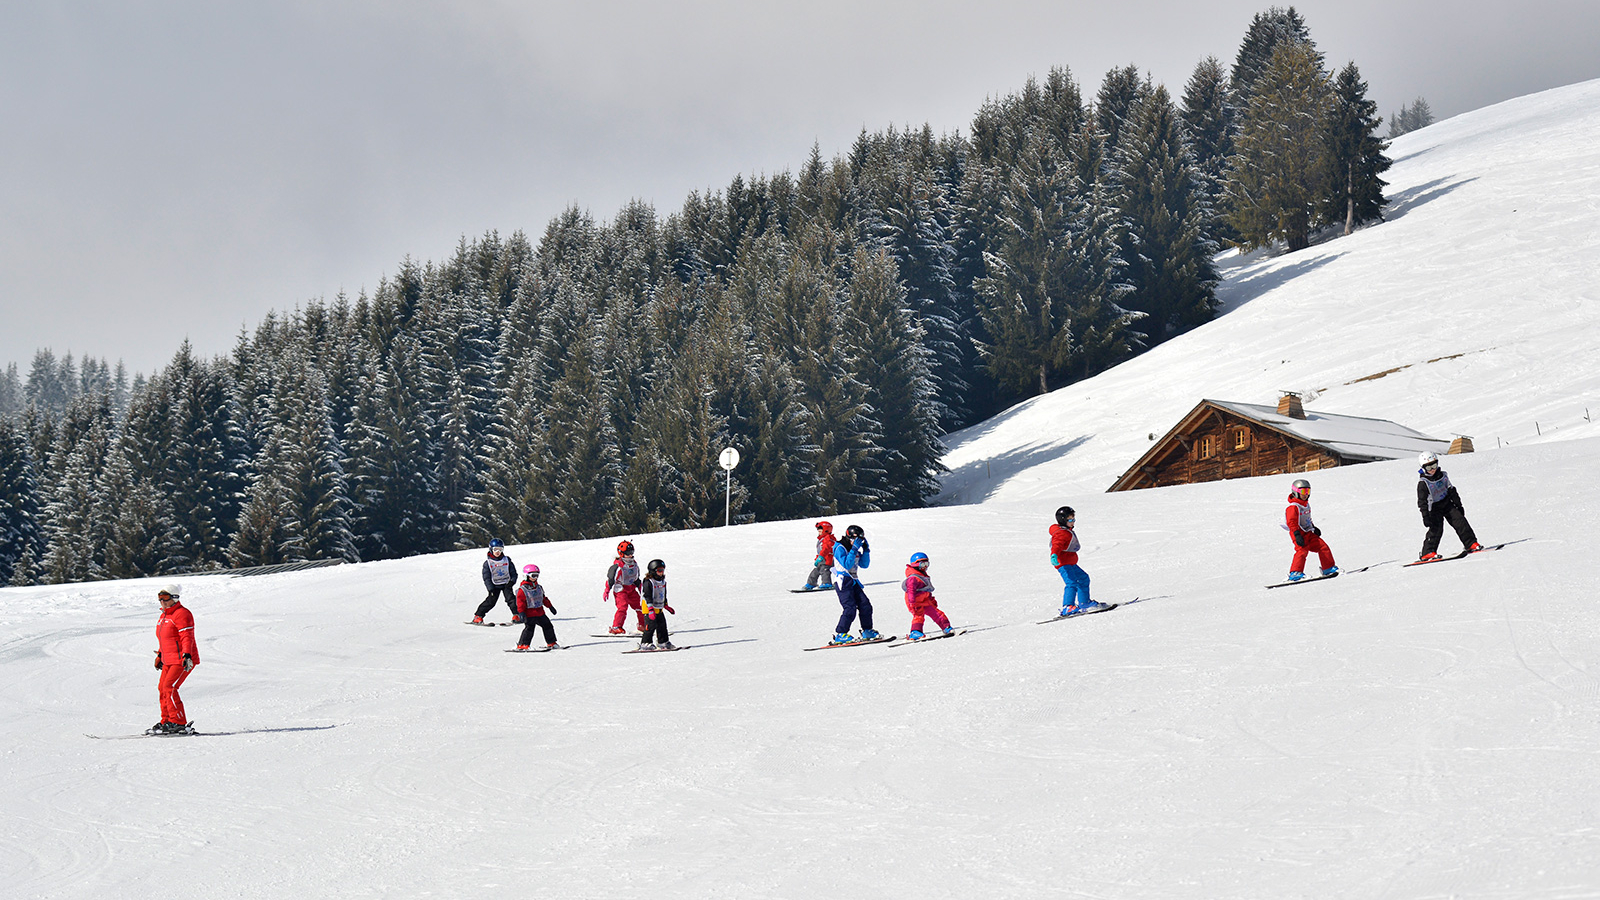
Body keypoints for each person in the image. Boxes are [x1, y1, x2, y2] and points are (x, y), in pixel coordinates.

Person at [1416, 451, 1483, 560]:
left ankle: (1470, 543)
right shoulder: (1423, 483)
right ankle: (1427, 552)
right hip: (1433, 508)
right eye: (1428, 468)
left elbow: (1452, 491)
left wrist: (1458, 505)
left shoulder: (1444, 476)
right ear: (1423, 468)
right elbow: (1422, 502)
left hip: (1447, 504)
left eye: (1434, 465)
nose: (1432, 469)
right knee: (1436, 529)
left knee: (1460, 522)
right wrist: (1425, 516)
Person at [152, 584, 198, 734]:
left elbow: (187, 637)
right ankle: (167, 721)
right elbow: (166, 639)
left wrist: (187, 655)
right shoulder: (165, 615)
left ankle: (178, 722)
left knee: (170, 688)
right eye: (160, 598)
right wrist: (160, 655)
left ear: (175, 598)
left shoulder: (182, 614)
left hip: (182, 660)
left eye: (165, 598)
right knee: (162, 688)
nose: (162, 602)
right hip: (169, 659)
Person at [1050, 506, 1107, 615]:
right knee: (1071, 583)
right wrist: (1054, 556)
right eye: (1070, 520)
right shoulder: (1060, 533)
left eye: (1073, 519)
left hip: (1070, 563)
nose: (1073, 522)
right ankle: (1067, 606)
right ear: (1063, 520)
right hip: (1062, 563)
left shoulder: (1066, 531)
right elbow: (1056, 545)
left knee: (1083, 578)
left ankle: (1084, 603)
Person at [829, 525, 881, 644]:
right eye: (855, 539)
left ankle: (867, 630)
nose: (856, 542)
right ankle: (840, 634)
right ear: (849, 537)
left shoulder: (855, 548)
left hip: (854, 581)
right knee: (850, 608)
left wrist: (866, 550)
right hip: (843, 581)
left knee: (865, 605)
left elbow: (864, 564)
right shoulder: (840, 548)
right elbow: (846, 565)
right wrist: (854, 549)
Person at [1285, 479, 1338, 581]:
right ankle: (1295, 573)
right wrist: (1296, 534)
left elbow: (1306, 518)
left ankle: (1328, 568)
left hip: (1308, 532)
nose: (1306, 494)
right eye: (1303, 492)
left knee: (1322, 546)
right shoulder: (1293, 507)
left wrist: (1314, 527)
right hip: (1298, 533)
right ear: (1296, 492)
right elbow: (1291, 522)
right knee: (1302, 550)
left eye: (1308, 491)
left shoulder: (1305, 505)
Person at [902, 552, 953, 640]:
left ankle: (946, 627)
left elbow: (927, 589)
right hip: (915, 602)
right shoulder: (913, 578)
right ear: (915, 564)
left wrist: (931, 599)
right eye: (922, 564)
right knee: (918, 616)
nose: (925, 567)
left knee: (937, 613)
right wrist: (912, 602)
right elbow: (910, 591)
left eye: (927, 564)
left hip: (925, 600)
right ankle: (915, 632)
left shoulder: (922, 575)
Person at [602, 540, 645, 635]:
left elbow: (637, 579)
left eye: (632, 553)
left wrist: (641, 588)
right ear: (621, 554)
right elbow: (611, 578)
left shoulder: (634, 564)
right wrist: (607, 590)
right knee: (623, 607)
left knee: (640, 606)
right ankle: (616, 627)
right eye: (628, 553)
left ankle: (642, 625)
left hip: (631, 588)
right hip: (620, 589)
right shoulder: (618, 566)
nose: (630, 555)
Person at [513, 564, 559, 650]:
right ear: (526, 576)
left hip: (540, 612)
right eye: (533, 575)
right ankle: (522, 645)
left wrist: (550, 607)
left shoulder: (538, 587)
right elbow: (520, 602)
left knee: (548, 626)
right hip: (529, 614)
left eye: (537, 575)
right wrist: (521, 612)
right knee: (529, 629)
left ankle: (551, 642)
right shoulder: (522, 590)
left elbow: (543, 598)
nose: (535, 578)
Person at [473, 539, 519, 624]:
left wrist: (512, 582)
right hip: (495, 585)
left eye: (500, 549)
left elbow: (513, 573)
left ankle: (517, 615)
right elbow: (486, 577)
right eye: (495, 549)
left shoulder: (507, 560)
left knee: (511, 600)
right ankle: (478, 616)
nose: (498, 552)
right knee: (491, 601)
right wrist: (490, 589)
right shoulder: (488, 563)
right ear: (491, 549)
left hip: (506, 584)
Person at [638, 558, 677, 650]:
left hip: (659, 608)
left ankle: (663, 642)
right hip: (649, 608)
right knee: (650, 626)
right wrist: (650, 609)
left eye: (662, 570)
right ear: (653, 571)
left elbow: (663, 594)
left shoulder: (662, 581)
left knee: (662, 625)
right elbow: (647, 595)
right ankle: (645, 643)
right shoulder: (649, 582)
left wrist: (666, 605)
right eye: (659, 570)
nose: (661, 572)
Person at [800, 520, 837, 591]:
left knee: (824, 571)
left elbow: (826, 548)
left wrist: (821, 557)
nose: (819, 533)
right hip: (822, 560)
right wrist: (817, 558)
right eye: (818, 531)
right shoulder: (822, 539)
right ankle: (811, 583)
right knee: (815, 571)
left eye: (820, 531)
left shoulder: (828, 538)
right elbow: (820, 551)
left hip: (827, 560)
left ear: (826, 530)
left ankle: (826, 583)